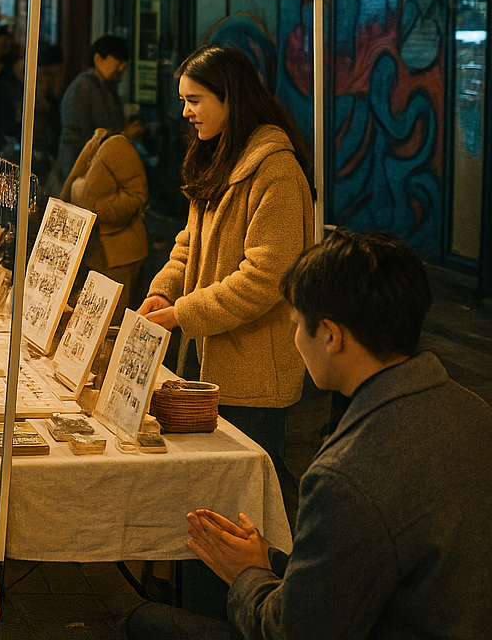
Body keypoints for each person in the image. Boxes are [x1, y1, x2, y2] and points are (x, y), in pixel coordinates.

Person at [127, 230, 492, 640]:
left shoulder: (346, 474)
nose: (296, 340)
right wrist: (274, 560)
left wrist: (246, 574)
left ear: (332, 336)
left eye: (297, 325)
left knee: (144, 621)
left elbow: (289, 631)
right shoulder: (477, 413)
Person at [137, 44, 313, 476]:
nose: (185, 112)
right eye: (183, 100)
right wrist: (163, 292)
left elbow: (266, 277)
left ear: (231, 97)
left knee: (247, 502)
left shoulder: (276, 171)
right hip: (207, 356)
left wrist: (182, 313)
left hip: (253, 378)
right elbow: (188, 242)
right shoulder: (219, 155)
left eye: (194, 100)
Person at [60, 126, 148, 317]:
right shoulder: (96, 141)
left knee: (107, 321)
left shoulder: (116, 146)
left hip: (118, 253)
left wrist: (99, 210)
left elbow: (138, 195)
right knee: (89, 320)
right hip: (94, 251)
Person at [57, 34, 129, 171]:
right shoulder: (83, 87)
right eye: (118, 62)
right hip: (79, 167)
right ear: (98, 59)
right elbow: (76, 136)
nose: (121, 68)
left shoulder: (106, 86)